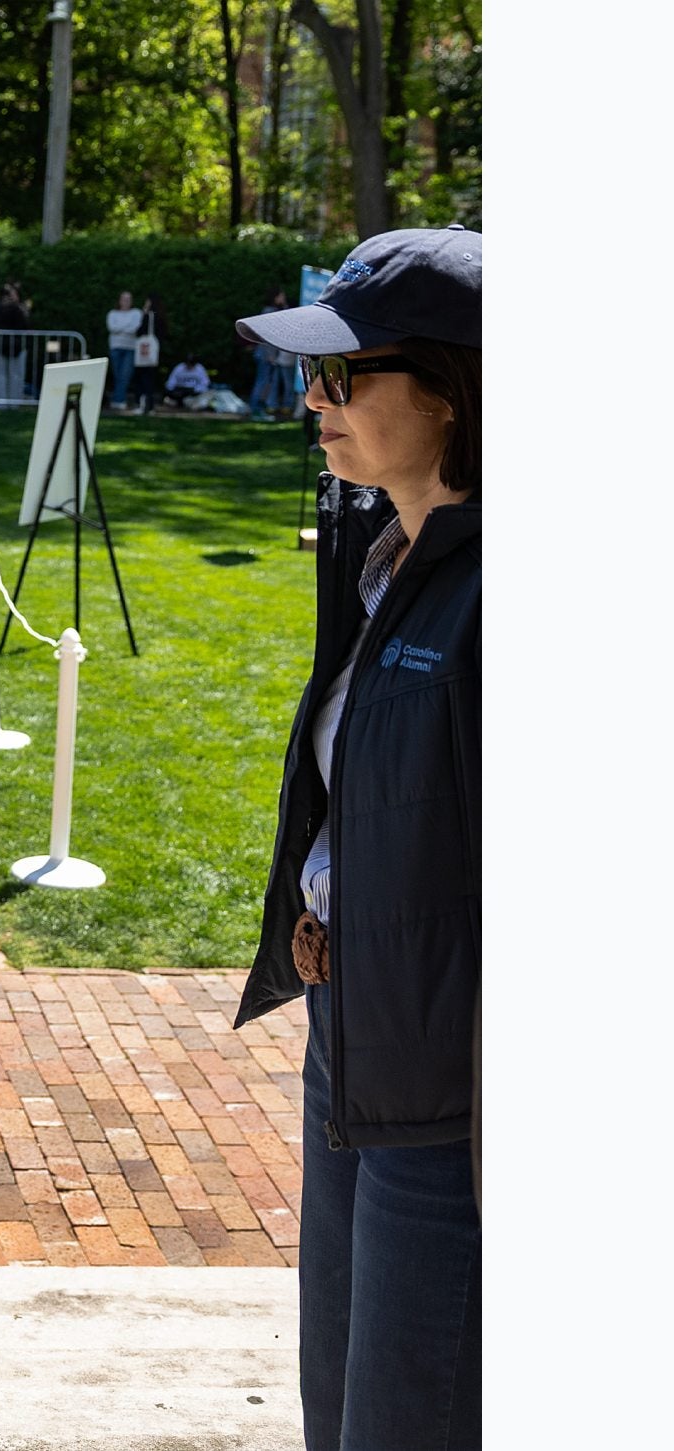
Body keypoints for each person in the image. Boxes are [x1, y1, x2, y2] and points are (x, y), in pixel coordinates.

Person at [230, 224, 481, 1451]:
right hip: (353, 1038)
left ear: (452, 389)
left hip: (454, 1094)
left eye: (343, 374)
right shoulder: (380, 552)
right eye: (308, 374)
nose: (311, 400)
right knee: (334, 1399)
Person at [248, 287, 295, 419]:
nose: (283, 298)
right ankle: (256, 408)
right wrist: (271, 356)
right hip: (266, 355)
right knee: (262, 382)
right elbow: (266, 337)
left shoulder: (272, 311)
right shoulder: (269, 312)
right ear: (275, 297)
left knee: (266, 381)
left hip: (267, 355)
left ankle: (259, 408)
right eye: (281, 296)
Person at [106, 289, 145, 411]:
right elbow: (112, 328)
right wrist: (126, 328)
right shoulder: (112, 313)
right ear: (120, 300)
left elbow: (134, 328)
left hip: (130, 347)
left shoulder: (136, 313)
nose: (126, 302)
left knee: (125, 375)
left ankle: (118, 400)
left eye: (128, 299)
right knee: (118, 375)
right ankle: (118, 399)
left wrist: (121, 329)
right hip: (116, 347)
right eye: (124, 299)